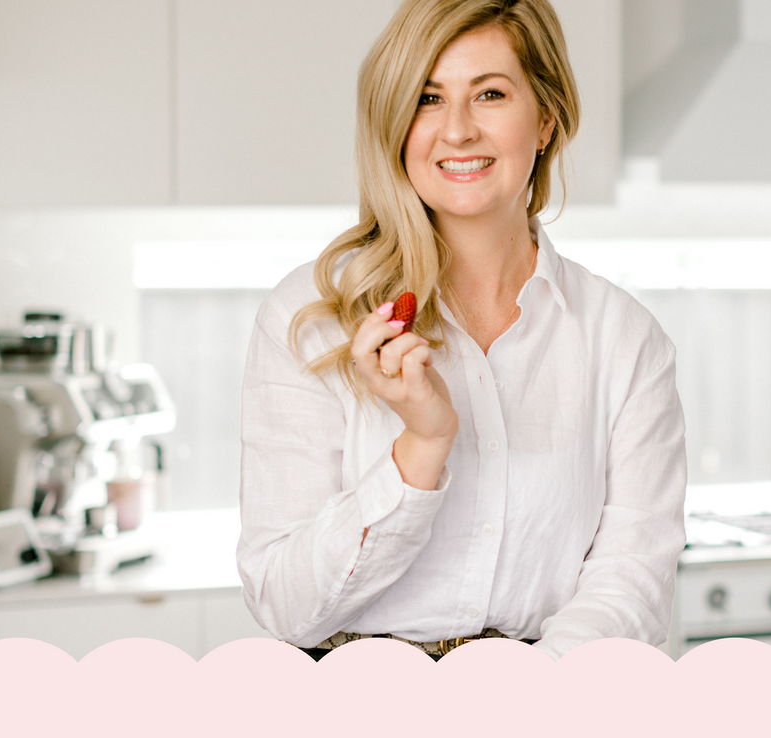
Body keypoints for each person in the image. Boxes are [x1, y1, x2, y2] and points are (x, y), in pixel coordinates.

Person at [237, 0, 687, 662]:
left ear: (546, 119)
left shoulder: (624, 340)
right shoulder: (313, 318)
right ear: (396, 123)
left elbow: (632, 583)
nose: (456, 130)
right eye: (427, 98)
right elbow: (284, 604)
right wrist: (423, 445)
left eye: (490, 94)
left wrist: (527, 698)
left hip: (546, 699)